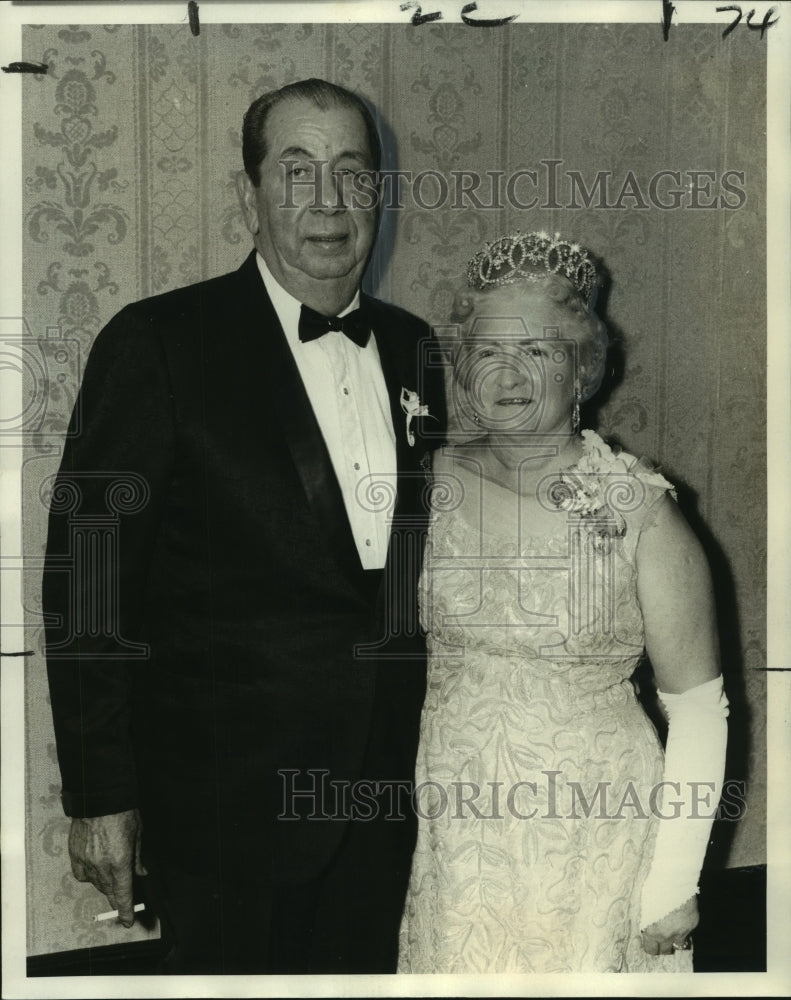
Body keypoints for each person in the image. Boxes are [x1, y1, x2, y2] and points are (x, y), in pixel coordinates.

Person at [43, 78, 445, 975]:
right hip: (225, 812)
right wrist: (100, 795)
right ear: (248, 195)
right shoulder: (156, 345)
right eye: (297, 172)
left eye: (351, 172)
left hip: (389, 804)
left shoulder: (421, 349)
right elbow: (88, 581)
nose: (329, 202)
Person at [397, 232, 728, 973]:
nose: (510, 373)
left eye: (540, 351)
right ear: (461, 366)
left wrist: (673, 880)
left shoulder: (641, 508)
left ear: (581, 367)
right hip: (460, 836)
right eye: (488, 350)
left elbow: (700, 710)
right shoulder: (426, 483)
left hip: (596, 836)